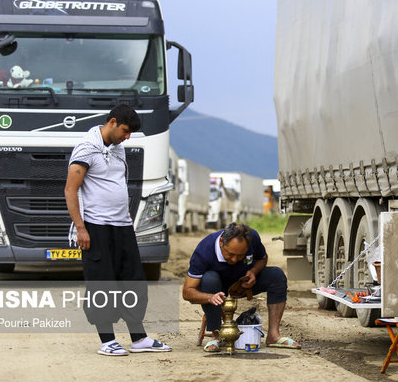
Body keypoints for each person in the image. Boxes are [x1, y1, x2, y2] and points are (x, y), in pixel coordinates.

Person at [64, 103, 171, 356]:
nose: (127, 136)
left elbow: (116, 183)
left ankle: (139, 338)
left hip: (122, 225)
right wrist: (81, 228)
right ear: (112, 122)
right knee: (102, 284)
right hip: (95, 227)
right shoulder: (86, 149)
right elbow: (71, 189)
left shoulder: (118, 148)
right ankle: (107, 340)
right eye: (125, 130)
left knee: (133, 281)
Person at [182, 222, 301, 352]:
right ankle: (216, 336)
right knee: (209, 279)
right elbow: (187, 292)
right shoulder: (204, 251)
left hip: (242, 284)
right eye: (230, 254)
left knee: (277, 275)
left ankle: (273, 335)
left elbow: (262, 258)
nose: (234, 260)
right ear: (221, 242)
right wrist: (210, 297)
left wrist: (254, 272)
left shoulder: (253, 238)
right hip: (216, 288)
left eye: (240, 256)